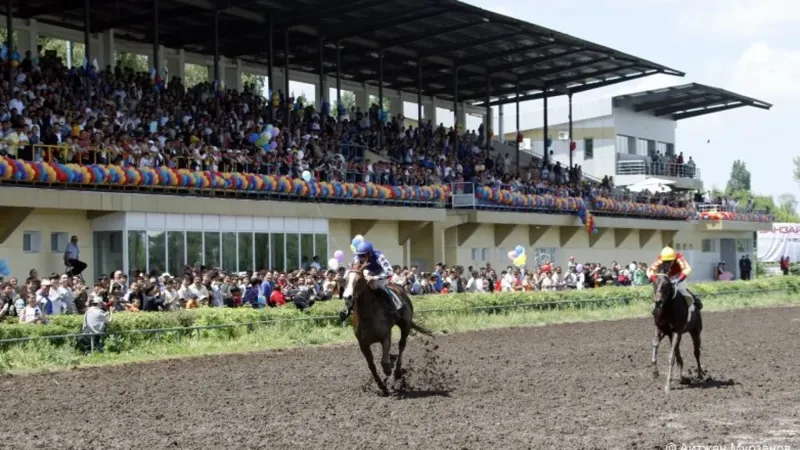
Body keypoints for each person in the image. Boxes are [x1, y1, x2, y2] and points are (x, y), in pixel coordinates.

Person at [339, 241, 401, 322]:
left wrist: (375, 277)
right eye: (359, 255)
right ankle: (347, 309)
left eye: (363, 255)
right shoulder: (357, 258)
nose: (361, 258)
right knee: (357, 285)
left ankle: (393, 307)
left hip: (381, 272)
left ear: (370, 254)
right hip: (369, 271)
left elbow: (389, 272)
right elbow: (352, 270)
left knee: (376, 285)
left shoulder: (379, 257)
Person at [647, 246, 702, 312]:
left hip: (678, 276)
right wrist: (654, 279)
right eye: (665, 261)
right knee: (659, 291)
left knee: (682, 290)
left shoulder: (679, 257)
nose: (667, 263)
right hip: (665, 277)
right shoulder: (659, 259)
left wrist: (679, 280)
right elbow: (650, 271)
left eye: (670, 261)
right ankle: (655, 306)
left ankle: (691, 304)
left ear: (674, 259)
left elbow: (687, 269)